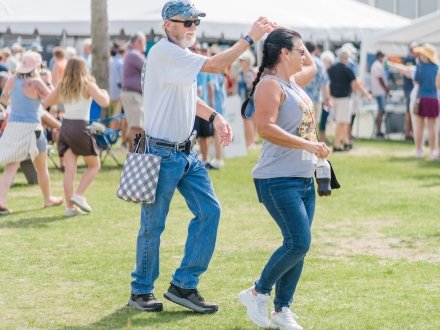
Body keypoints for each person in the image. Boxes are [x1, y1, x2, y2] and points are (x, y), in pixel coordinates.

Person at [126, 0, 274, 314]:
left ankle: (184, 285)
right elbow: (217, 66)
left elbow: (189, 97)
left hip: (185, 153)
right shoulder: (164, 52)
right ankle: (141, 291)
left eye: (196, 22)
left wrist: (216, 117)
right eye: (187, 22)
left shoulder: (179, 54)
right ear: (168, 24)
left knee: (210, 212)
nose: (193, 27)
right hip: (162, 153)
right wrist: (249, 39)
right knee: (153, 226)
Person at [237, 27, 330, 330]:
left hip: (302, 178)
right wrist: (309, 145)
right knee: (299, 242)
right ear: (284, 53)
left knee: (297, 245)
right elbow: (265, 128)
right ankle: (257, 292)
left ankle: (282, 309)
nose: (306, 55)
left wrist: (288, 35)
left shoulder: (293, 82)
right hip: (277, 179)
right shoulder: (270, 85)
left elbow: (313, 66)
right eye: (300, 50)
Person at [43, 57, 110, 216]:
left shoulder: (62, 86)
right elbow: (105, 102)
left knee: (69, 171)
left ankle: (70, 208)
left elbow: (45, 102)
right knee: (94, 165)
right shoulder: (88, 84)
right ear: (84, 69)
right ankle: (78, 195)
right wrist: (104, 93)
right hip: (81, 127)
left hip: (66, 128)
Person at [0, 51, 63, 215]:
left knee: (11, 166)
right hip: (32, 129)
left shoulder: (11, 80)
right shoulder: (36, 82)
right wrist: (48, 83)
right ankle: (48, 199)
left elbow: (4, 100)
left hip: (13, 128)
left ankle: (1, 200)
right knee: (42, 167)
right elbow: (51, 100)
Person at [327, 49, 372, 151]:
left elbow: (327, 83)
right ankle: (337, 144)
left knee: (342, 122)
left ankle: (346, 142)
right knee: (341, 122)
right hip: (343, 99)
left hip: (333, 98)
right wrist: (366, 94)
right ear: (347, 58)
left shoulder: (331, 69)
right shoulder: (347, 69)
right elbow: (356, 84)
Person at [120, 32, 146, 152]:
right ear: (139, 42)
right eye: (144, 41)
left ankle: (134, 156)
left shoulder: (130, 54)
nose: (145, 44)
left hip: (133, 95)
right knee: (136, 127)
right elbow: (149, 68)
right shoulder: (134, 55)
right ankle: (136, 156)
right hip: (133, 95)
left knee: (135, 126)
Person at [237, 50, 258, 148]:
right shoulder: (239, 73)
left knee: (249, 120)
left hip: (251, 99)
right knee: (246, 120)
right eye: (240, 60)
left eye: (243, 60)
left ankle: (251, 142)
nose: (241, 62)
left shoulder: (253, 71)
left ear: (248, 61)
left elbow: (256, 86)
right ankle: (249, 141)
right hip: (242, 99)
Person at [370, 51, 390, 138]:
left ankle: (378, 129)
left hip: (379, 91)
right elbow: (380, 79)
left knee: (381, 111)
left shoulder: (378, 65)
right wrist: (386, 89)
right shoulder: (377, 65)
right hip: (379, 91)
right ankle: (378, 130)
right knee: (381, 111)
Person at [401, 42, 418, 140]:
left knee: (410, 110)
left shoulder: (406, 59)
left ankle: (409, 132)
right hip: (410, 88)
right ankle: (408, 132)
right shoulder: (412, 60)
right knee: (410, 110)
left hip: (409, 88)